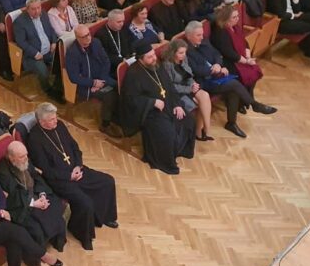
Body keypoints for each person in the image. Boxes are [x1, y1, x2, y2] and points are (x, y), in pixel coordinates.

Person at [27, 102, 119, 246]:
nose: (56, 121)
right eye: (51, 120)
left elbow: (74, 147)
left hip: (77, 170)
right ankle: (82, 234)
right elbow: (45, 170)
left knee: (107, 181)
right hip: (59, 180)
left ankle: (105, 216)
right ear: (42, 122)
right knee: (85, 202)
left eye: (55, 117)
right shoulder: (34, 139)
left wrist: (78, 165)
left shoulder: (60, 126)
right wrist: (68, 176)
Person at [183, 20, 276, 138]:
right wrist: (214, 70)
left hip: (216, 76)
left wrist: (218, 65)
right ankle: (254, 104)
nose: (202, 37)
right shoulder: (186, 50)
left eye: (202, 34)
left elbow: (217, 54)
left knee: (233, 89)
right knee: (233, 84)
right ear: (189, 36)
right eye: (198, 35)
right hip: (203, 82)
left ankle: (232, 123)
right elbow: (195, 70)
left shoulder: (204, 41)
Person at [121, 41, 197, 174]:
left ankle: (180, 151)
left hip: (168, 104)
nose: (154, 58)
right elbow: (130, 100)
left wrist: (177, 105)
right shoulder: (133, 74)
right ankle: (165, 161)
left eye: (153, 55)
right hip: (150, 112)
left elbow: (170, 88)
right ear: (140, 59)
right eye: (149, 57)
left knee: (188, 120)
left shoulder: (157, 66)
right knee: (167, 132)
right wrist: (152, 102)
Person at [66, 25, 120, 137]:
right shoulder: (72, 53)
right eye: (84, 37)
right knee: (109, 95)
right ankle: (105, 125)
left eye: (88, 35)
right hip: (86, 86)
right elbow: (73, 77)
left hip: (102, 78)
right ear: (77, 38)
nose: (88, 38)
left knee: (119, 87)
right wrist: (93, 83)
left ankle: (115, 118)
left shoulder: (96, 43)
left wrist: (101, 80)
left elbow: (106, 62)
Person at [210, 6, 265, 92]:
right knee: (249, 72)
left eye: (238, 16)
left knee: (255, 69)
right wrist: (246, 61)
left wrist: (248, 57)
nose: (237, 19)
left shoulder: (236, 27)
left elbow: (245, 42)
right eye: (234, 17)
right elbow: (228, 52)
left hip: (240, 58)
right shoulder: (220, 32)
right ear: (226, 19)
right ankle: (246, 97)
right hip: (228, 61)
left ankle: (248, 96)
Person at [13, 0, 59, 95]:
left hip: (49, 50)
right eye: (33, 9)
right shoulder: (20, 22)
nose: (37, 11)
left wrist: (54, 42)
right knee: (44, 73)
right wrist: (35, 53)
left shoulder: (44, 14)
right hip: (34, 55)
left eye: (38, 7)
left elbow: (51, 30)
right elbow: (21, 42)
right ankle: (48, 90)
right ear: (27, 9)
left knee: (62, 62)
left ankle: (59, 86)